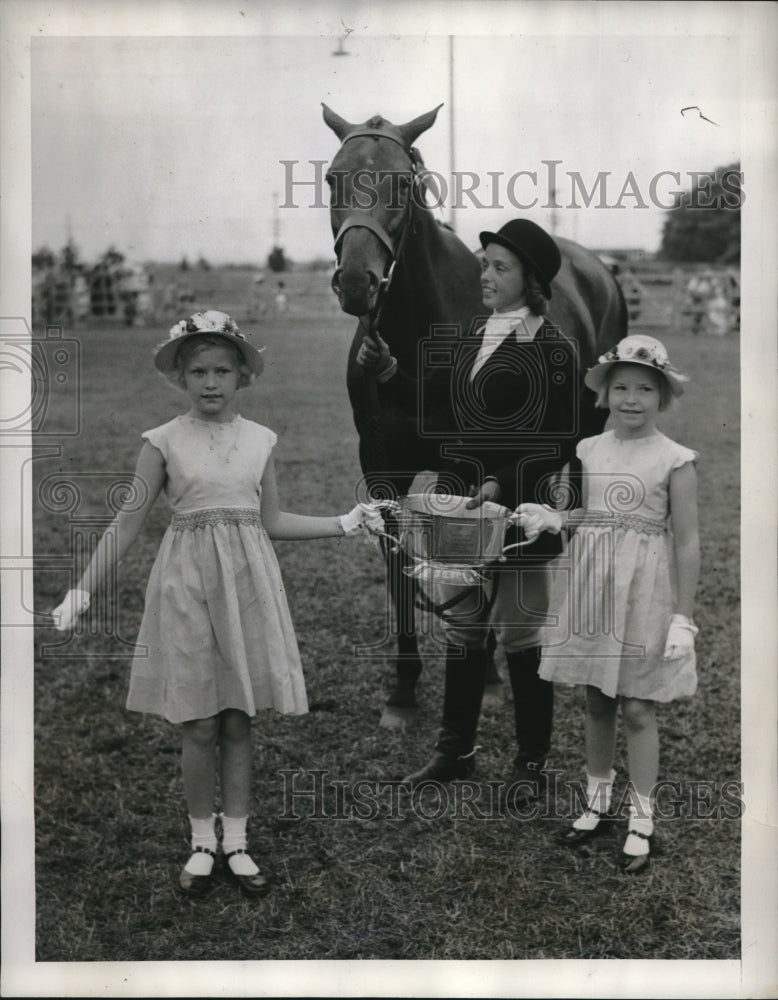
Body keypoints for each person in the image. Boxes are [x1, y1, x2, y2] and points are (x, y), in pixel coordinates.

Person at [50, 309, 382, 899]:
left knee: (237, 717)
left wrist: (344, 522)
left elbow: (271, 520)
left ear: (241, 376)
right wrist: (82, 591)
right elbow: (125, 525)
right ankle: (202, 840)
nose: (210, 382)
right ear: (181, 375)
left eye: (222, 370)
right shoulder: (162, 442)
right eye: (198, 370)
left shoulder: (260, 441)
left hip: (247, 589)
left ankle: (237, 840)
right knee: (199, 720)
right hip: (185, 589)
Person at [357, 219, 581, 797]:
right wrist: (391, 375)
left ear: (530, 282)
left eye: (500, 267)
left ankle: (531, 762)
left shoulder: (553, 347)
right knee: (464, 625)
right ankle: (455, 751)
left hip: (519, 508)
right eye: (485, 264)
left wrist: (499, 488)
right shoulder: (473, 333)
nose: (485, 275)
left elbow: (559, 441)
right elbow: (443, 408)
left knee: (521, 634)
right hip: (460, 504)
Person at [518, 334, 700, 874]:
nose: (631, 398)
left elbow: (687, 541)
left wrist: (683, 617)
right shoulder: (590, 449)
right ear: (605, 393)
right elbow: (589, 514)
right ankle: (597, 800)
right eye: (620, 386)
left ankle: (641, 817)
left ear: (662, 395)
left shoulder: (676, 459)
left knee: (639, 706)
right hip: (593, 583)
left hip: (645, 590)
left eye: (645, 388)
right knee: (597, 697)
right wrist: (555, 518)